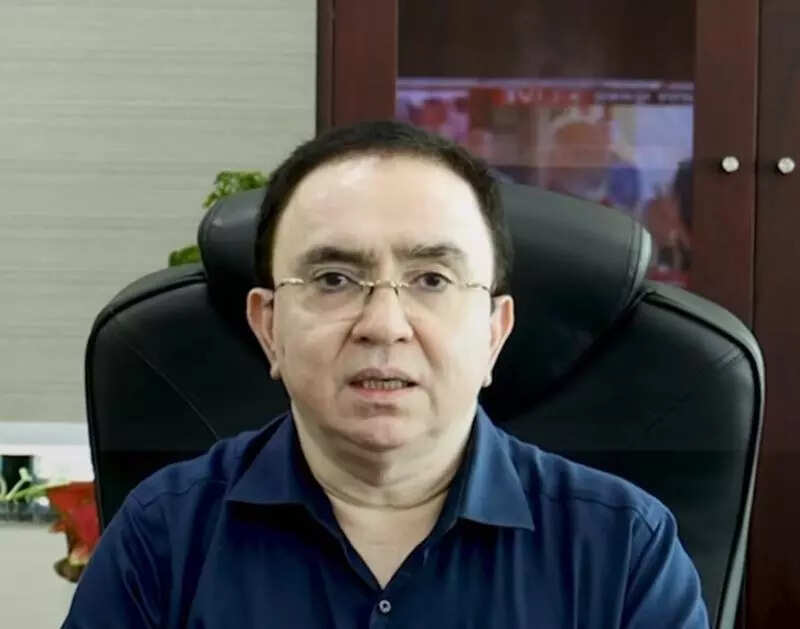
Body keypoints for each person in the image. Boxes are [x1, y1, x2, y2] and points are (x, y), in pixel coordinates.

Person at [63, 121, 709, 628]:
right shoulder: (163, 540)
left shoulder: (623, 551)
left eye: (431, 279)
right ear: (268, 327)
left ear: (494, 331)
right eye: (333, 279)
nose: (384, 324)